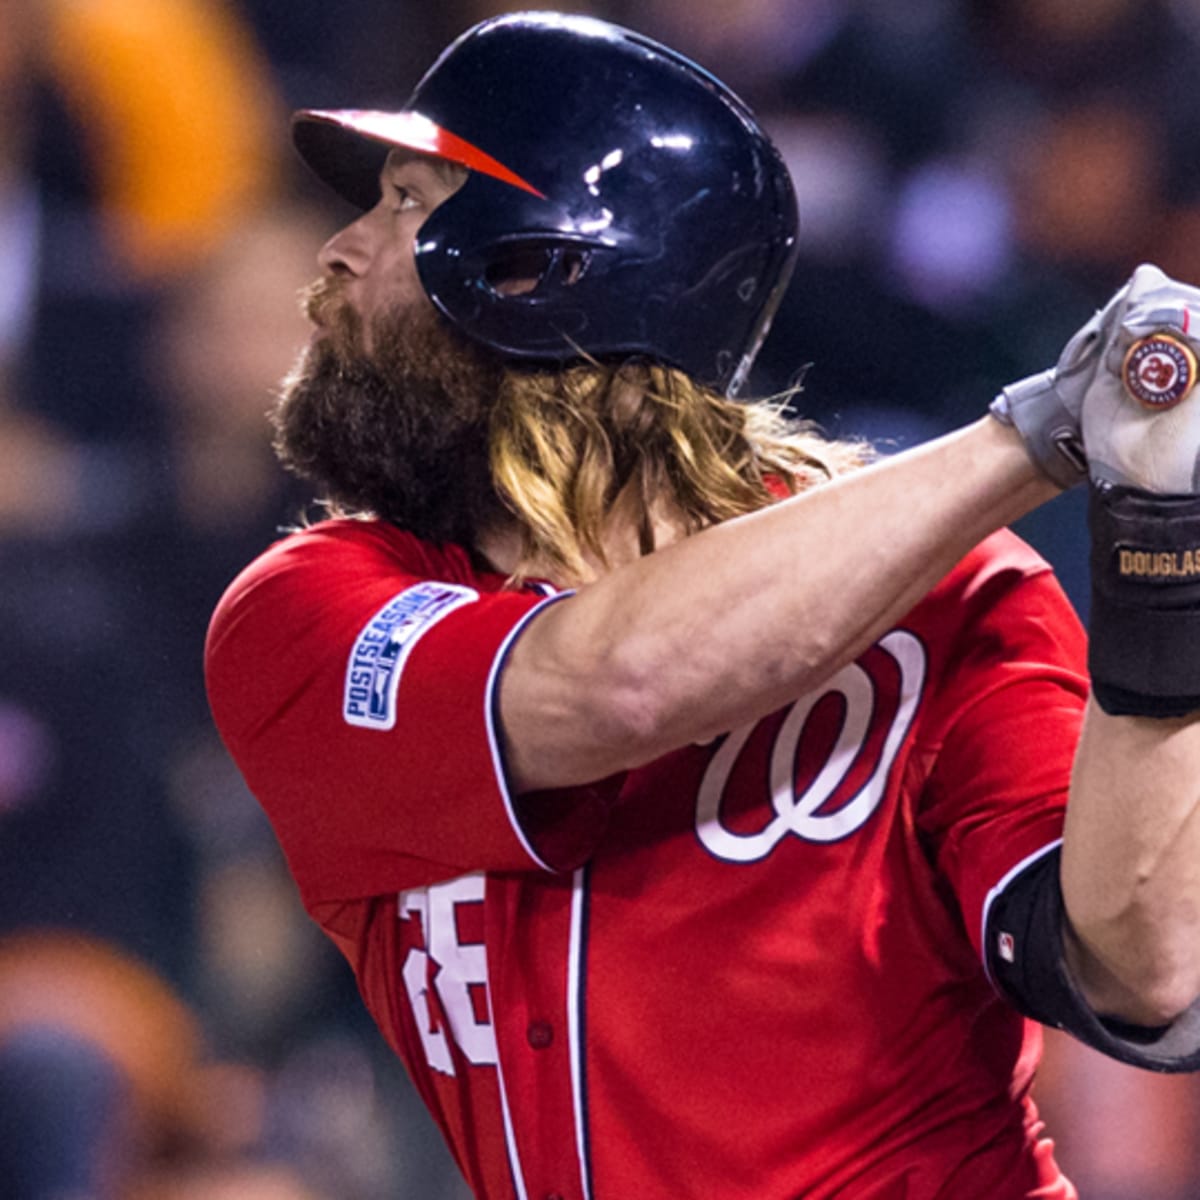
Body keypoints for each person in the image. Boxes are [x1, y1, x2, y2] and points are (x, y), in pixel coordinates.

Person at [205, 12, 1200, 1199]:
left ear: (541, 266)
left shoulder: (944, 598)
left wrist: (1163, 561)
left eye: (408, 205)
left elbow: (1140, 970)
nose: (339, 251)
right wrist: (1034, 435)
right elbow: (613, 681)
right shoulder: (313, 613)